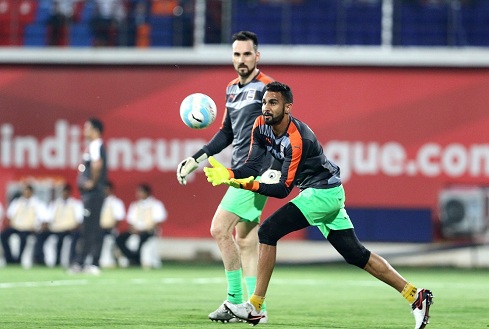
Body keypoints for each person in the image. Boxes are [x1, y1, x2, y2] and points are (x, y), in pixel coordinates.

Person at [204, 81, 434, 329]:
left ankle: (255, 306)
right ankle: (415, 295)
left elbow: (282, 189)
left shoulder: (297, 138)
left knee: (268, 231)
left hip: (323, 193)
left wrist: (242, 185)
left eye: (273, 102)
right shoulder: (260, 125)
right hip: (321, 193)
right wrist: (229, 173)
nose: (266, 107)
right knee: (357, 255)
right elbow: (251, 167)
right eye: (264, 102)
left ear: (288, 107)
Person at [176, 30, 275, 323]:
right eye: (236, 54)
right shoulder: (231, 89)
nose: (241, 60)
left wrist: (276, 167)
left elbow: (282, 128)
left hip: (256, 172)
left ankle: (234, 301)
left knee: (219, 229)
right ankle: (256, 308)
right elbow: (227, 133)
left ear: (257, 56)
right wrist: (196, 158)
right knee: (244, 239)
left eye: (247, 54)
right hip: (240, 172)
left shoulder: (268, 89)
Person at [69, 117, 108, 275]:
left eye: (87, 128)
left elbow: (97, 164)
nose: (84, 131)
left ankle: (82, 263)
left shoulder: (95, 145)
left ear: (95, 130)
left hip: (93, 194)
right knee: (93, 227)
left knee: (88, 228)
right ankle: (92, 263)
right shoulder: (95, 146)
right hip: (94, 195)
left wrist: (91, 182)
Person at [115, 183, 166, 267]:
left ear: (146, 193)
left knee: (142, 239)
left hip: (148, 231)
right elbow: (130, 221)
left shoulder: (156, 204)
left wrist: (145, 229)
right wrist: (133, 229)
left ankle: (138, 259)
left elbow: (158, 221)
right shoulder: (135, 205)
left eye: (140, 192)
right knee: (119, 239)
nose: (138, 194)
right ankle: (132, 257)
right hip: (135, 230)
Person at [34, 183, 83, 267]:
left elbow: (79, 221)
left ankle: (72, 260)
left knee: (75, 235)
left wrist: (73, 227)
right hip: (56, 229)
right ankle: (40, 260)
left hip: (69, 229)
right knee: (40, 235)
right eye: (63, 192)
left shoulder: (76, 204)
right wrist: (45, 226)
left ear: (70, 193)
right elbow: (48, 219)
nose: (65, 194)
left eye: (67, 192)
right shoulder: (55, 204)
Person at [1, 184, 49, 265]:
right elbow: (9, 217)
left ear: (32, 192)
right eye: (25, 191)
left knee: (23, 237)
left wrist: (38, 228)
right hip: (17, 227)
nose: (26, 193)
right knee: (3, 235)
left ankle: (19, 259)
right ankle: (9, 258)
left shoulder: (38, 204)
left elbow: (44, 219)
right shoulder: (17, 202)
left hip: (29, 228)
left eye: (28, 192)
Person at [99, 180, 126, 267]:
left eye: (106, 189)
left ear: (111, 190)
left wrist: (109, 227)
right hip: (99, 229)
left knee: (107, 239)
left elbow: (118, 219)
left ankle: (108, 261)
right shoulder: (98, 202)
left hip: (110, 230)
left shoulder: (116, 203)